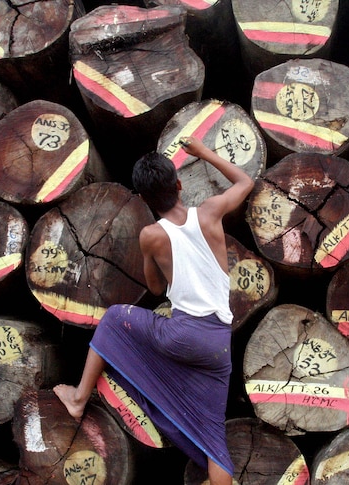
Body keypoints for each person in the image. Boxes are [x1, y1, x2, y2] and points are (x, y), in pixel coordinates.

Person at [53, 136, 254, 485]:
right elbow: (245, 181)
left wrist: (157, 261)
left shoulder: (151, 235)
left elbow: (156, 288)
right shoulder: (209, 211)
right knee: (213, 441)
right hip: (219, 344)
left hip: (181, 335)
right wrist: (204, 153)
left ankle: (78, 396)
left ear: (144, 200)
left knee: (115, 317)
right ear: (178, 185)